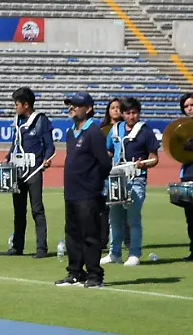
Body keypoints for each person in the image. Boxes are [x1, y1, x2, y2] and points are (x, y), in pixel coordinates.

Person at [56, 92, 111, 288]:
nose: (71, 108)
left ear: (88, 108)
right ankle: (75, 273)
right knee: (72, 235)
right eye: (70, 105)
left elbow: (105, 163)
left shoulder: (94, 132)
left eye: (76, 105)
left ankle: (95, 275)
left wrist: (93, 183)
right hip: (71, 192)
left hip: (88, 194)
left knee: (90, 236)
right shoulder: (71, 132)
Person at [102, 97, 160, 267]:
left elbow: (154, 158)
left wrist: (145, 163)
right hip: (116, 178)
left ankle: (134, 253)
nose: (131, 116)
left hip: (136, 179)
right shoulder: (115, 129)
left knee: (133, 219)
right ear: (122, 113)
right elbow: (109, 152)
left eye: (134, 113)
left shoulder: (145, 131)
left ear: (139, 113)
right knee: (114, 218)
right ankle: (115, 254)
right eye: (128, 113)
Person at [0, 87, 55, 258]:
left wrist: (46, 159)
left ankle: (41, 248)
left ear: (26, 104)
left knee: (37, 209)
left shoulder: (40, 120)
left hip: (34, 170)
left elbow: (49, 145)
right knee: (19, 210)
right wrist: (8, 157)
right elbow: (15, 142)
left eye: (17, 104)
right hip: (17, 170)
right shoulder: (18, 121)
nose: (15, 107)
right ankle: (17, 246)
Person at [99, 97, 124, 252]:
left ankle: (126, 240)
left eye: (118, 107)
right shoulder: (102, 129)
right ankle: (103, 239)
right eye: (112, 107)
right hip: (106, 171)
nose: (115, 110)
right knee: (104, 207)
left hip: (122, 170)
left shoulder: (128, 128)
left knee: (124, 204)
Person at [179, 92, 193, 262]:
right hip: (188, 174)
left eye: (192, 105)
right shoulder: (181, 128)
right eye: (186, 107)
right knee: (190, 217)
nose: (189, 109)